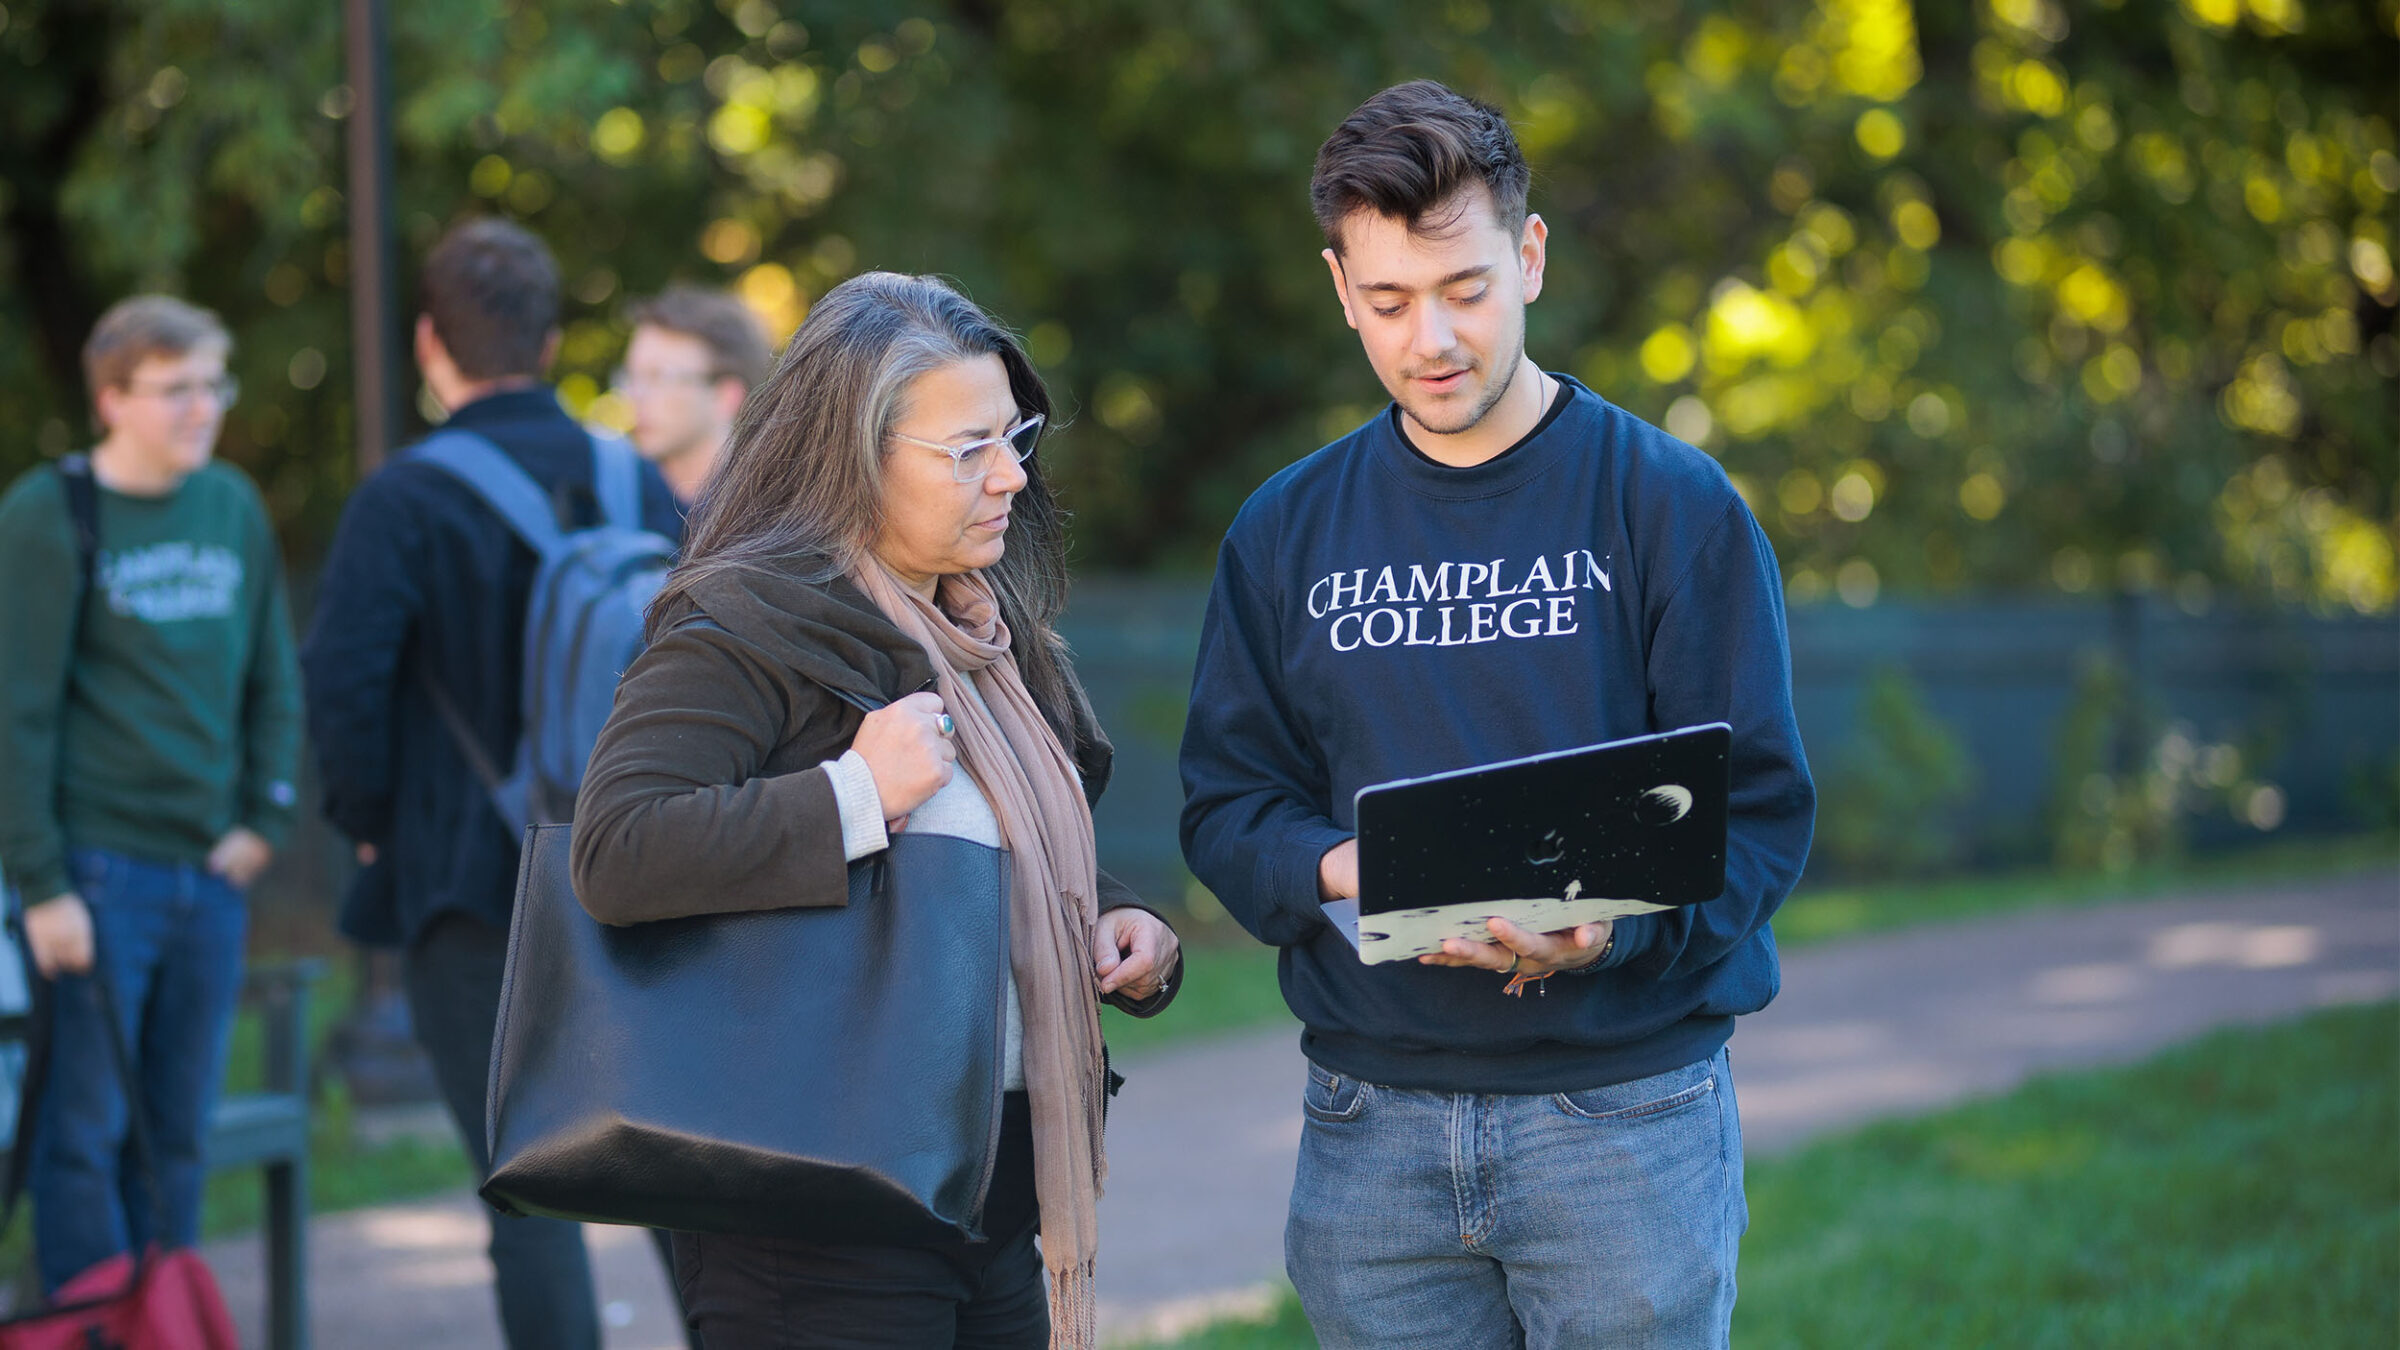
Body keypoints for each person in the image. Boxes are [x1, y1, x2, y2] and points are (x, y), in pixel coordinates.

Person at [1178, 81, 1815, 1348]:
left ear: (1529, 257)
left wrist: (1607, 937)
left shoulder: (1669, 506)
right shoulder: (1285, 531)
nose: (1433, 339)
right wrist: (1349, 869)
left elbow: (1754, 817)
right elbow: (1227, 806)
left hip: (1621, 1123)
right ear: (1339, 287)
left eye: (1464, 288)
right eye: (1389, 301)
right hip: (1370, 1132)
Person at [570, 270, 1183, 1350]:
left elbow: (1007, 835)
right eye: (967, 450)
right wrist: (853, 794)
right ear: (855, 457)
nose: (1008, 477)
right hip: (817, 1217)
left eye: (1015, 437)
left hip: (989, 1192)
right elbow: (618, 851)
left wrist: (1117, 919)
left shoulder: (982, 626)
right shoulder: (747, 623)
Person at [300, 218, 684, 1350]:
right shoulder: (640, 482)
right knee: (680, 1167)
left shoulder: (404, 501)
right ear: (553, 339)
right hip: (646, 876)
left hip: (474, 889)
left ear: (430, 344)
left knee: (530, 1194)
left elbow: (344, 690)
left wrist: (373, 826)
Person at [0, 295, 302, 1291]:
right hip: (96, 876)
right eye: (174, 390)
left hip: (208, 875)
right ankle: (89, 1320)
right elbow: (18, 716)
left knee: (176, 1135)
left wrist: (265, 818)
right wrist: (40, 886)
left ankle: (158, 1316)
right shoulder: (50, 515)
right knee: (82, 1132)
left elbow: (273, 680)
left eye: (212, 384)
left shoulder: (231, 506)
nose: (201, 408)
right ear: (111, 399)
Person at [617, 283, 774, 507]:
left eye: (660, 377)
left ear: (726, 396)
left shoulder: (769, 519)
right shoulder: (615, 501)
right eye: (632, 376)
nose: (634, 395)